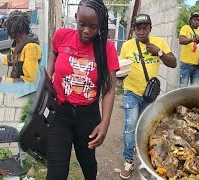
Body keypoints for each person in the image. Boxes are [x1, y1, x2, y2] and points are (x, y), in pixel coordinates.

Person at [46, 0, 119, 179]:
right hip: (59, 112)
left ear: (101, 25)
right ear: (76, 18)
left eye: (93, 27)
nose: (86, 31)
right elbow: (54, 53)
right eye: (82, 24)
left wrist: (105, 123)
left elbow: (109, 89)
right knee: (56, 171)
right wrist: (48, 79)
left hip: (88, 115)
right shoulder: (62, 36)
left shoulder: (106, 48)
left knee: (88, 163)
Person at [119, 14, 177, 179]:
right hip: (131, 92)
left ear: (150, 29)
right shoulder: (127, 46)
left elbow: (173, 63)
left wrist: (159, 52)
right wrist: (119, 75)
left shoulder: (159, 43)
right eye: (138, 28)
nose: (141, 31)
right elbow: (120, 68)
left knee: (146, 126)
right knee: (130, 126)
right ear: (134, 30)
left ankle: (145, 156)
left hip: (149, 95)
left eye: (145, 28)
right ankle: (128, 161)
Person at [0, 10, 41, 83]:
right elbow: (15, 59)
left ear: (13, 30)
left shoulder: (30, 47)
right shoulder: (19, 42)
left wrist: (1, 80)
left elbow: (30, 81)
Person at [179, 12, 199, 87]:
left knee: (195, 88)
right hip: (186, 64)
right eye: (195, 20)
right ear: (190, 21)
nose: (197, 21)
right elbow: (181, 41)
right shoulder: (185, 28)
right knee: (183, 88)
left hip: (197, 65)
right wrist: (193, 39)